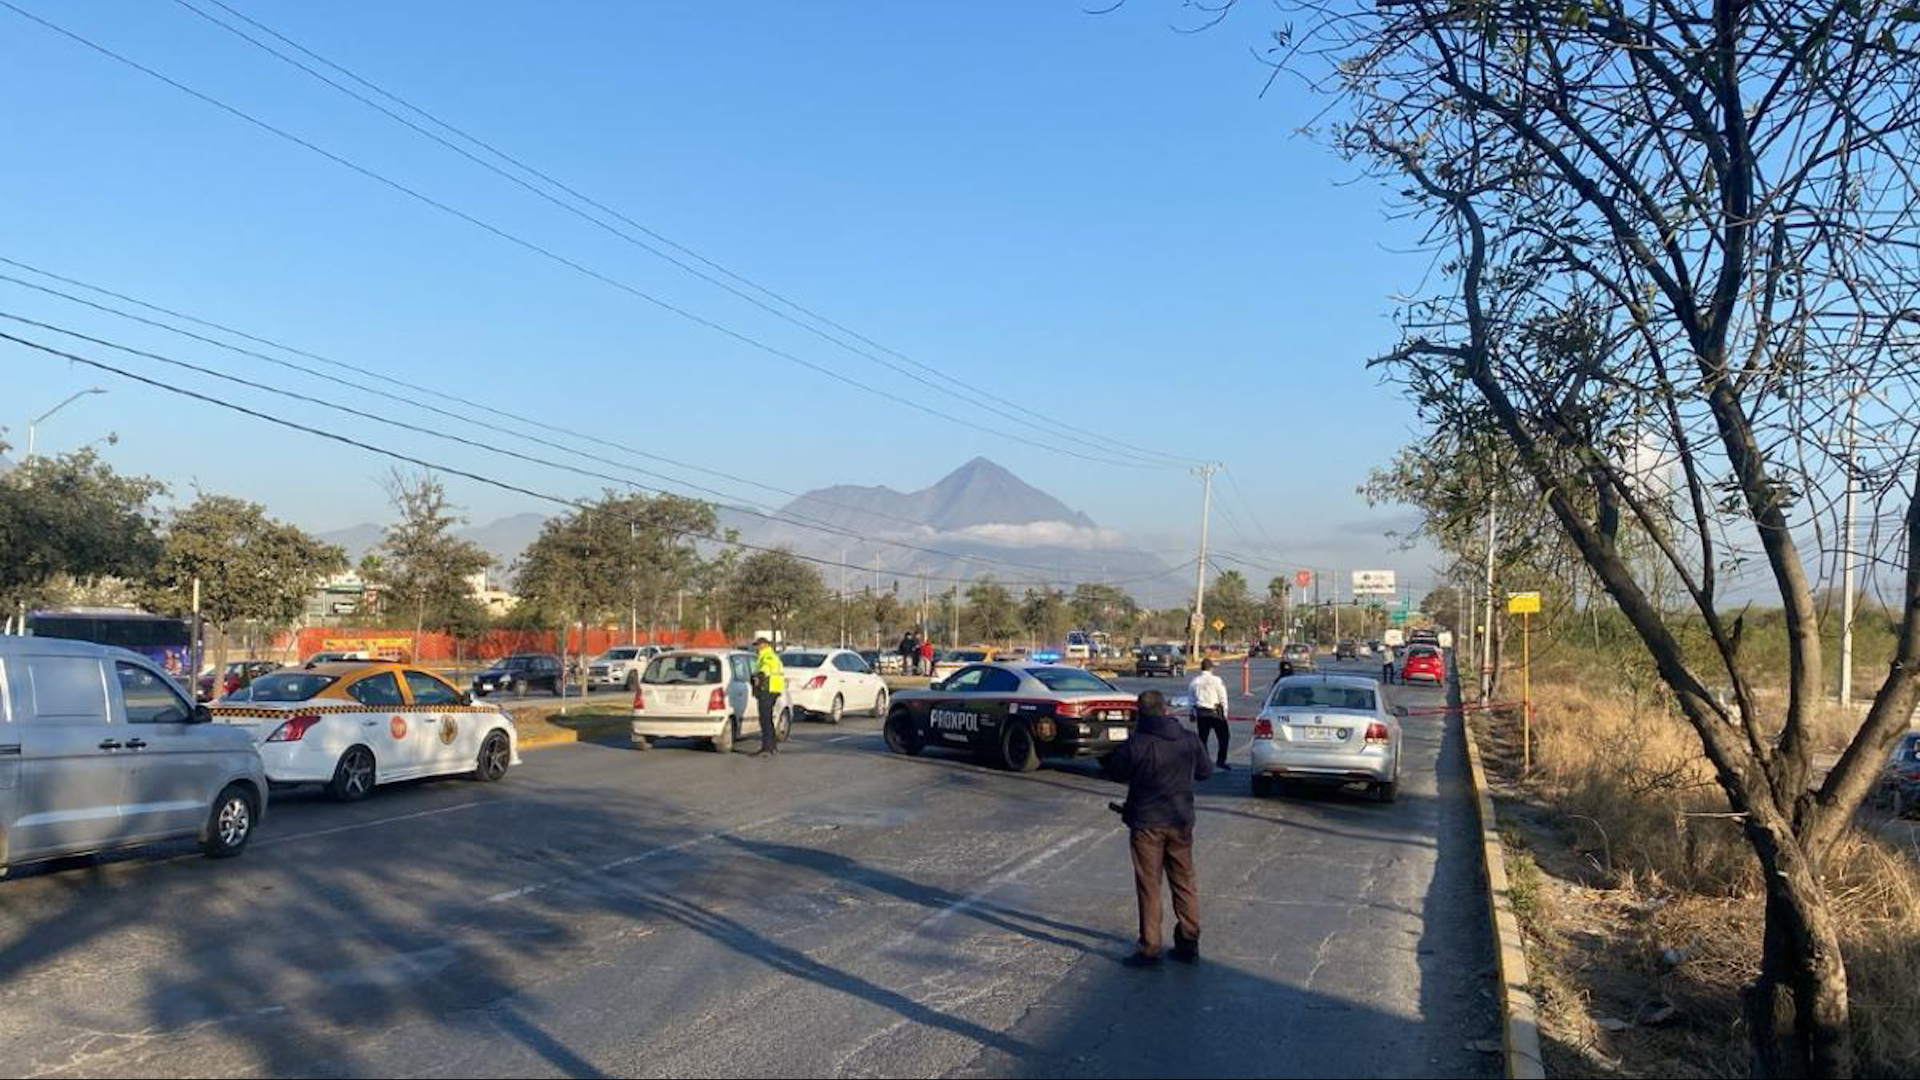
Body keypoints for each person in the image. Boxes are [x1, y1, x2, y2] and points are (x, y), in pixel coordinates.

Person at [1104, 689, 1212, 966]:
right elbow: (1205, 771)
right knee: (1184, 881)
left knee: (1149, 885)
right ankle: (1189, 942)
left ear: (1141, 713)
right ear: (1165, 710)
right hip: (1180, 820)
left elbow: (1115, 771)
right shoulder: (1188, 739)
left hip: (1146, 823)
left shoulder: (1137, 743)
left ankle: (1150, 947)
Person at [1187, 658, 1233, 771]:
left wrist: (1191, 713)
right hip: (1215, 712)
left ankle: (1204, 762)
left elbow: (1191, 700)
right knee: (1224, 737)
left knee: (1203, 739)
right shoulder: (1216, 680)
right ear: (1211, 668)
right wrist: (1225, 713)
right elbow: (1223, 697)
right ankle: (1221, 761)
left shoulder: (1195, 681)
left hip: (1201, 712)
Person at [750, 637, 785, 756]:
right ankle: (771, 747)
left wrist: (759, 676)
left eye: (758, 645)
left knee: (765, 719)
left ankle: (767, 747)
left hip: (768, 689)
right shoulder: (767, 655)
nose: (756, 647)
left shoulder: (767, 656)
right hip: (771, 689)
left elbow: (765, 670)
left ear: (764, 645)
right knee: (767, 719)